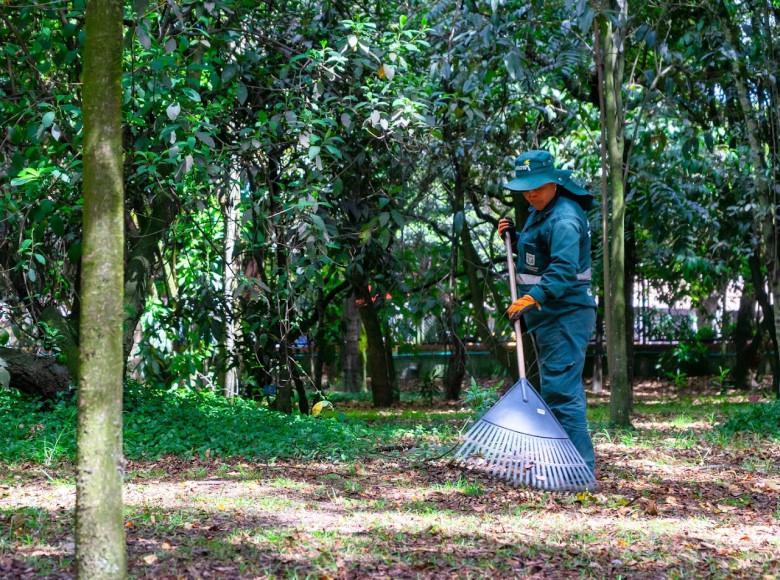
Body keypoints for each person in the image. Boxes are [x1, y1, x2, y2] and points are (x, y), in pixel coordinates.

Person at [497, 150, 597, 474]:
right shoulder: (542, 210)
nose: (531, 193)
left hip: (565, 315)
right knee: (554, 391)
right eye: (525, 188)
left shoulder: (565, 218)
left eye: (537, 186)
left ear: (553, 181)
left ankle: (578, 471)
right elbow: (538, 256)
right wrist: (513, 240)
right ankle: (559, 464)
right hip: (549, 316)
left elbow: (563, 269)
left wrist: (533, 298)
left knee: (562, 394)